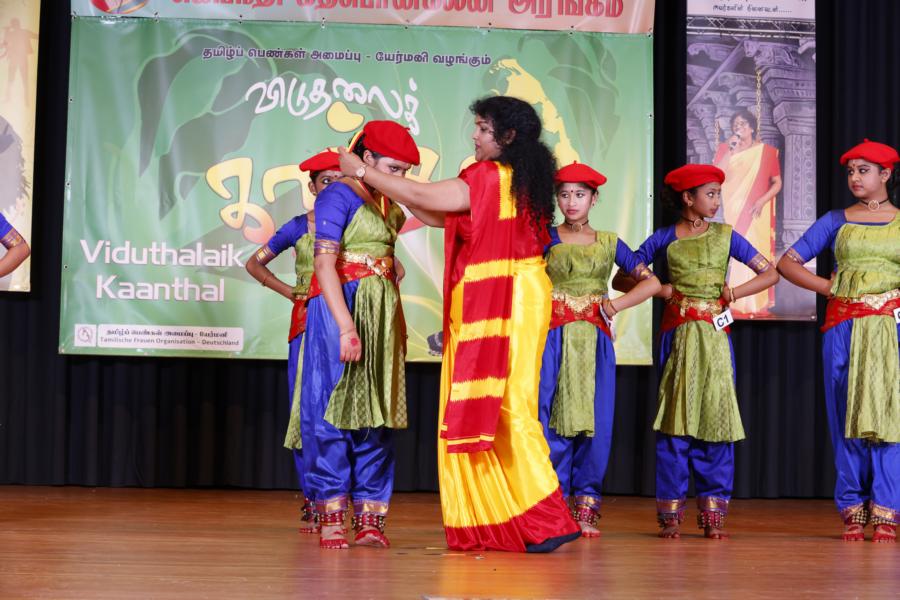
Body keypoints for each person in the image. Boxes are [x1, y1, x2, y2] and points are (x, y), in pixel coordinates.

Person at [338, 95, 581, 553]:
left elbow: (428, 198)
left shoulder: (492, 176)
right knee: (498, 407)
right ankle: (505, 519)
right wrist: (389, 184)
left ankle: (546, 518)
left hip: (507, 298)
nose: (475, 135)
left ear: (507, 136)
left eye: (483, 128)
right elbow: (437, 214)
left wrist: (363, 172)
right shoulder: (513, 179)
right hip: (511, 294)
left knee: (508, 407)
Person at [614, 164, 778, 539]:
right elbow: (623, 278)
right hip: (678, 335)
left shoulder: (726, 235)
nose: (717, 200)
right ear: (688, 198)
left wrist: (734, 293)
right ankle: (671, 517)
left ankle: (713, 516)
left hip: (715, 338)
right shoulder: (664, 238)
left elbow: (770, 273)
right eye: (710, 194)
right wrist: (660, 288)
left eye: (718, 193)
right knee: (676, 421)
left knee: (716, 419)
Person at [777, 139, 900, 543]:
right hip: (844, 326)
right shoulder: (835, 220)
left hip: (890, 329)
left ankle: (887, 510)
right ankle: (852, 507)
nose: (854, 178)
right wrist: (828, 287)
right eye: (850, 171)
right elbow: (787, 263)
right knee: (846, 414)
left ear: (885, 174)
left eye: (863, 170)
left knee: (890, 416)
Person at [301, 122, 415, 549]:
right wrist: (346, 326)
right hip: (341, 310)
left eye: (404, 171)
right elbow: (324, 264)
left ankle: (370, 516)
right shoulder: (337, 194)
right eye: (392, 168)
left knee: (377, 413)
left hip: (381, 314)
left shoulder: (387, 200)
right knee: (332, 408)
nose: (398, 177)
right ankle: (332, 511)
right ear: (366, 159)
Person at [538, 162, 661, 537]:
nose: (571, 202)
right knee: (548, 417)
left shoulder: (609, 242)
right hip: (552, 337)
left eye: (580, 194)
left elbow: (652, 283)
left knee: (597, 419)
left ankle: (585, 509)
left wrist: (614, 305)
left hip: (595, 340)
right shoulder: (544, 237)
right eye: (564, 195)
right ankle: (553, 507)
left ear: (594, 198)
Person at [245, 150, 342, 534]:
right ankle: (317, 499)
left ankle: (345, 499)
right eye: (326, 181)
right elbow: (254, 263)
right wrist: (291, 292)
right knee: (308, 412)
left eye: (341, 180)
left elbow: (393, 266)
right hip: (307, 326)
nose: (333, 187)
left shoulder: (357, 226)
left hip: (348, 325)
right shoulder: (300, 226)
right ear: (312, 187)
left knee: (346, 410)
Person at [713, 109, 782, 316]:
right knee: (738, 249)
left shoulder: (766, 152)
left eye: (743, 124)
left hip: (757, 210)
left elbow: (777, 183)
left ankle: (756, 303)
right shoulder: (726, 148)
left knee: (755, 249)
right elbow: (717, 175)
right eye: (735, 125)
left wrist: (761, 201)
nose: (739, 127)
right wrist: (730, 150)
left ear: (752, 127)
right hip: (734, 208)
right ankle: (737, 302)